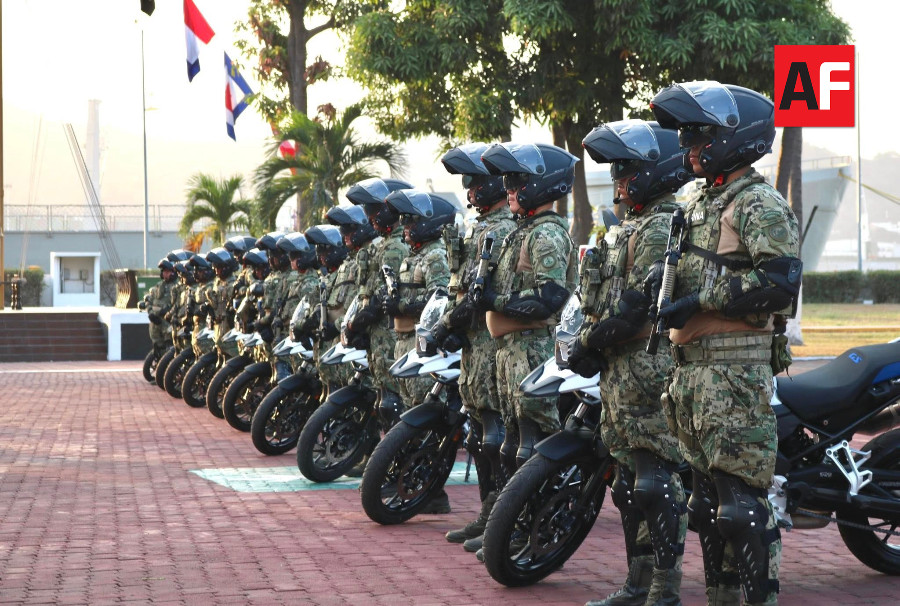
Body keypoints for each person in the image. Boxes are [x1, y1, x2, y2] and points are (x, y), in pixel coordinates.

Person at [650, 81, 802, 606]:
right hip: (691, 374)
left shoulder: (758, 203)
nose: (687, 145)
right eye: (686, 134)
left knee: (741, 507)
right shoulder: (699, 204)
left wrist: (701, 302)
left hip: (735, 374)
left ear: (735, 138)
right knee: (707, 508)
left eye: (699, 134)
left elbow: (781, 284)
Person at [570, 119, 694, 606]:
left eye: (627, 169)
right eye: (616, 169)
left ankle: (665, 588)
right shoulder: (633, 226)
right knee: (627, 484)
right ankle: (637, 583)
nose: (618, 178)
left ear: (656, 171)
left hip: (649, 372)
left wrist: (588, 344)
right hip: (620, 376)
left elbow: (637, 306)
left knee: (655, 482)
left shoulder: (664, 224)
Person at [475, 142, 579, 554]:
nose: (509, 188)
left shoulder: (547, 235)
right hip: (509, 350)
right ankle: (509, 525)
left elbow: (550, 297)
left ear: (542, 184)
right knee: (510, 443)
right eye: (509, 180)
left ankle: (535, 529)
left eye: (518, 180)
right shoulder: (521, 232)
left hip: (533, 348)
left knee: (532, 447)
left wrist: (495, 303)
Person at [436, 143, 517, 554]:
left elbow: (484, 292)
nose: (469, 191)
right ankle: (489, 514)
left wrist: (451, 323)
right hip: (474, 346)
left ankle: (500, 518)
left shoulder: (501, 228)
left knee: (495, 439)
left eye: (475, 183)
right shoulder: (482, 226)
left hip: (491, 343)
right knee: (480, 437)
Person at [344, 178, 412, 429]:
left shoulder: (395, 246)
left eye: (373, 210)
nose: (369, 217)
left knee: (393, 403)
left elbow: (384, 295)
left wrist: (356, 325)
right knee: (383, 399)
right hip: (379, 336)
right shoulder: (383, 245)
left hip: (389, 334)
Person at [383, 189, 455, 408]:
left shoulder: (435, 256)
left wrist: (402, 306)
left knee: (423, 409)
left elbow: (439, 301)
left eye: (411, 220)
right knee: (408, 406)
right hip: (404, 341)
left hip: (423, 345)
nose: (404, 225)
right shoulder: (413, 256)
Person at [274, 232, 320, 381]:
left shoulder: (310, 283)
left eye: (294, 256)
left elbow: (309, 312)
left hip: (303, 335)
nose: (290, 260)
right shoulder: (298, 280)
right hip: (293, 332)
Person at [142, 257, 177, 355]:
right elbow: (149, 300)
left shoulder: (177, 286)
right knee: (157, 345)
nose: (165, 274)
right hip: (156, 322)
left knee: (169, 345)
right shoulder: (158, 286)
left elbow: (178, 303)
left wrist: (167, 311)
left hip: (168, 322)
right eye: (164, 272)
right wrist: (150, 313)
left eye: (168, 272)